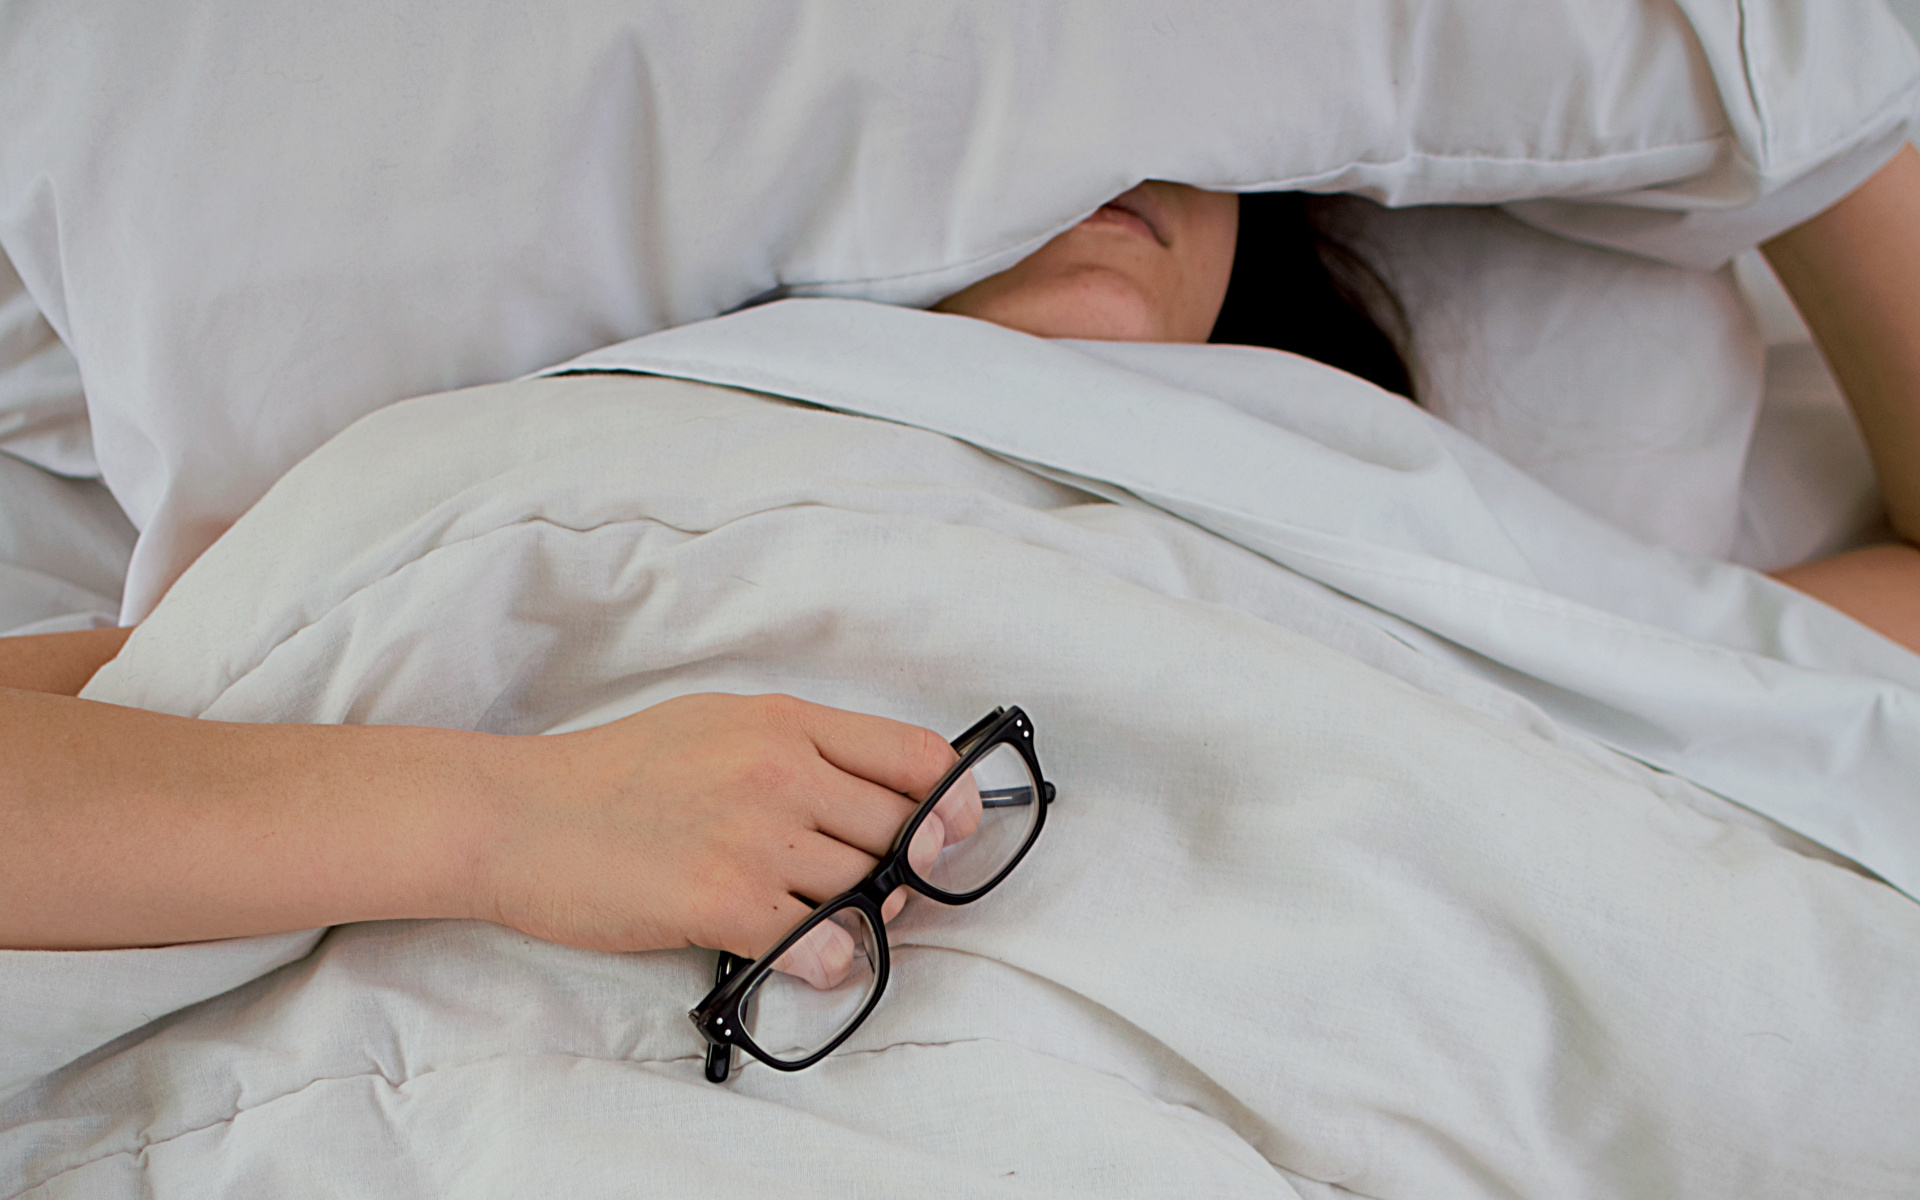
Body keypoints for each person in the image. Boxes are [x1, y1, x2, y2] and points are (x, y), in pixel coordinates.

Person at [3, 156, 1917, 962]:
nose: (1115, 151)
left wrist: (1809, 90)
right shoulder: (575, 472)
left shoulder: (1414, 541)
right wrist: (508, 822)